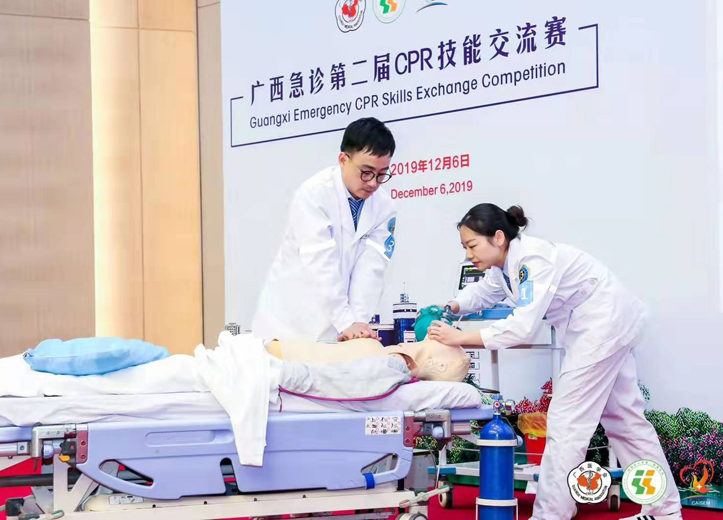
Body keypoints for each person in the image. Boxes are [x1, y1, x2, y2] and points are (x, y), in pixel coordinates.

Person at [427, 203, 682, 520]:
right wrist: (452, 306)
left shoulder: (532, 260)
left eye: (472, 245)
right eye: (465, 247)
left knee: (566, 423)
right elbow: (482, 293)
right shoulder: (503, 268)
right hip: (605, 325)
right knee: (626, 422)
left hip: (602, 325)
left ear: (498, 237)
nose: (468, 255)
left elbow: (522, 328)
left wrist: (458, 337)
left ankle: (551, 514)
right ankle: (664, 511)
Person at [252, 117, 398, 343]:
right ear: (343, 160)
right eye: (366, 172)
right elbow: (320, 263)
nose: (373, 183)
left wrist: (358, 324)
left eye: (381, 174)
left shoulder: (384, 206)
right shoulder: (314, 195)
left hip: (339, 327)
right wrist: (345, 322)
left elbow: (371, 269)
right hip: (291, 321)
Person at [265, 337, 470, 382]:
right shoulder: (385, 357)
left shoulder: (390, 367)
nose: (433, 337)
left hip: (275, 358)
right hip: (276, 352)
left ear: (440, 365)